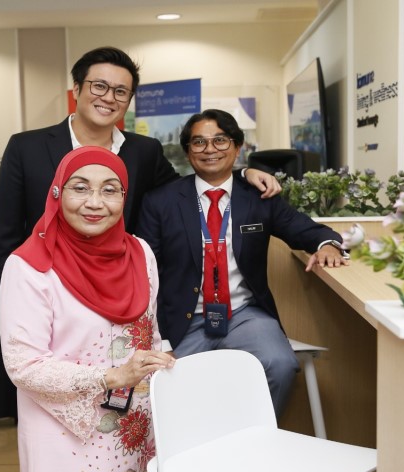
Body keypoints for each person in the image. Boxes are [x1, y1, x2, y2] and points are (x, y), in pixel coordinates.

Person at [0, 46, 282, 299]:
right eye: (99, 86)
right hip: (45, 287)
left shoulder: (144, 150)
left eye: (121, 92)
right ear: (76, 89)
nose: (109, 98)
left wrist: (241, 174)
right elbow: (5, 236)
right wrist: (8, 302)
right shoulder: (26, 147)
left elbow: (185, 191)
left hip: (117, 289)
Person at [0, 146, 177, 472]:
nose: (95, 202)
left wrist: (161, 361)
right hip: (67, 436)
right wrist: (111, 377)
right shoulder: (29, 267)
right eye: (80, 188)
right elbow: (23, 366)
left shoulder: (141, 253)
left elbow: (151, 333)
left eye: (110, 190)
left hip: (138, 426)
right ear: (57, 193)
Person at [136, 109, 349, 416]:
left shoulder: (258, 196)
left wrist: (327, 244)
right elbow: (144, 272)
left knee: (279, 364)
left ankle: (253, 438)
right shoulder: (160, 201)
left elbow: (304, 229)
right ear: (188, 151)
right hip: (182, 320)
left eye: (220, 140)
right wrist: (161, 339)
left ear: (237, 148)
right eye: (199, 142)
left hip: (243, 314)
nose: (210, 149)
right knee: (159, 385)